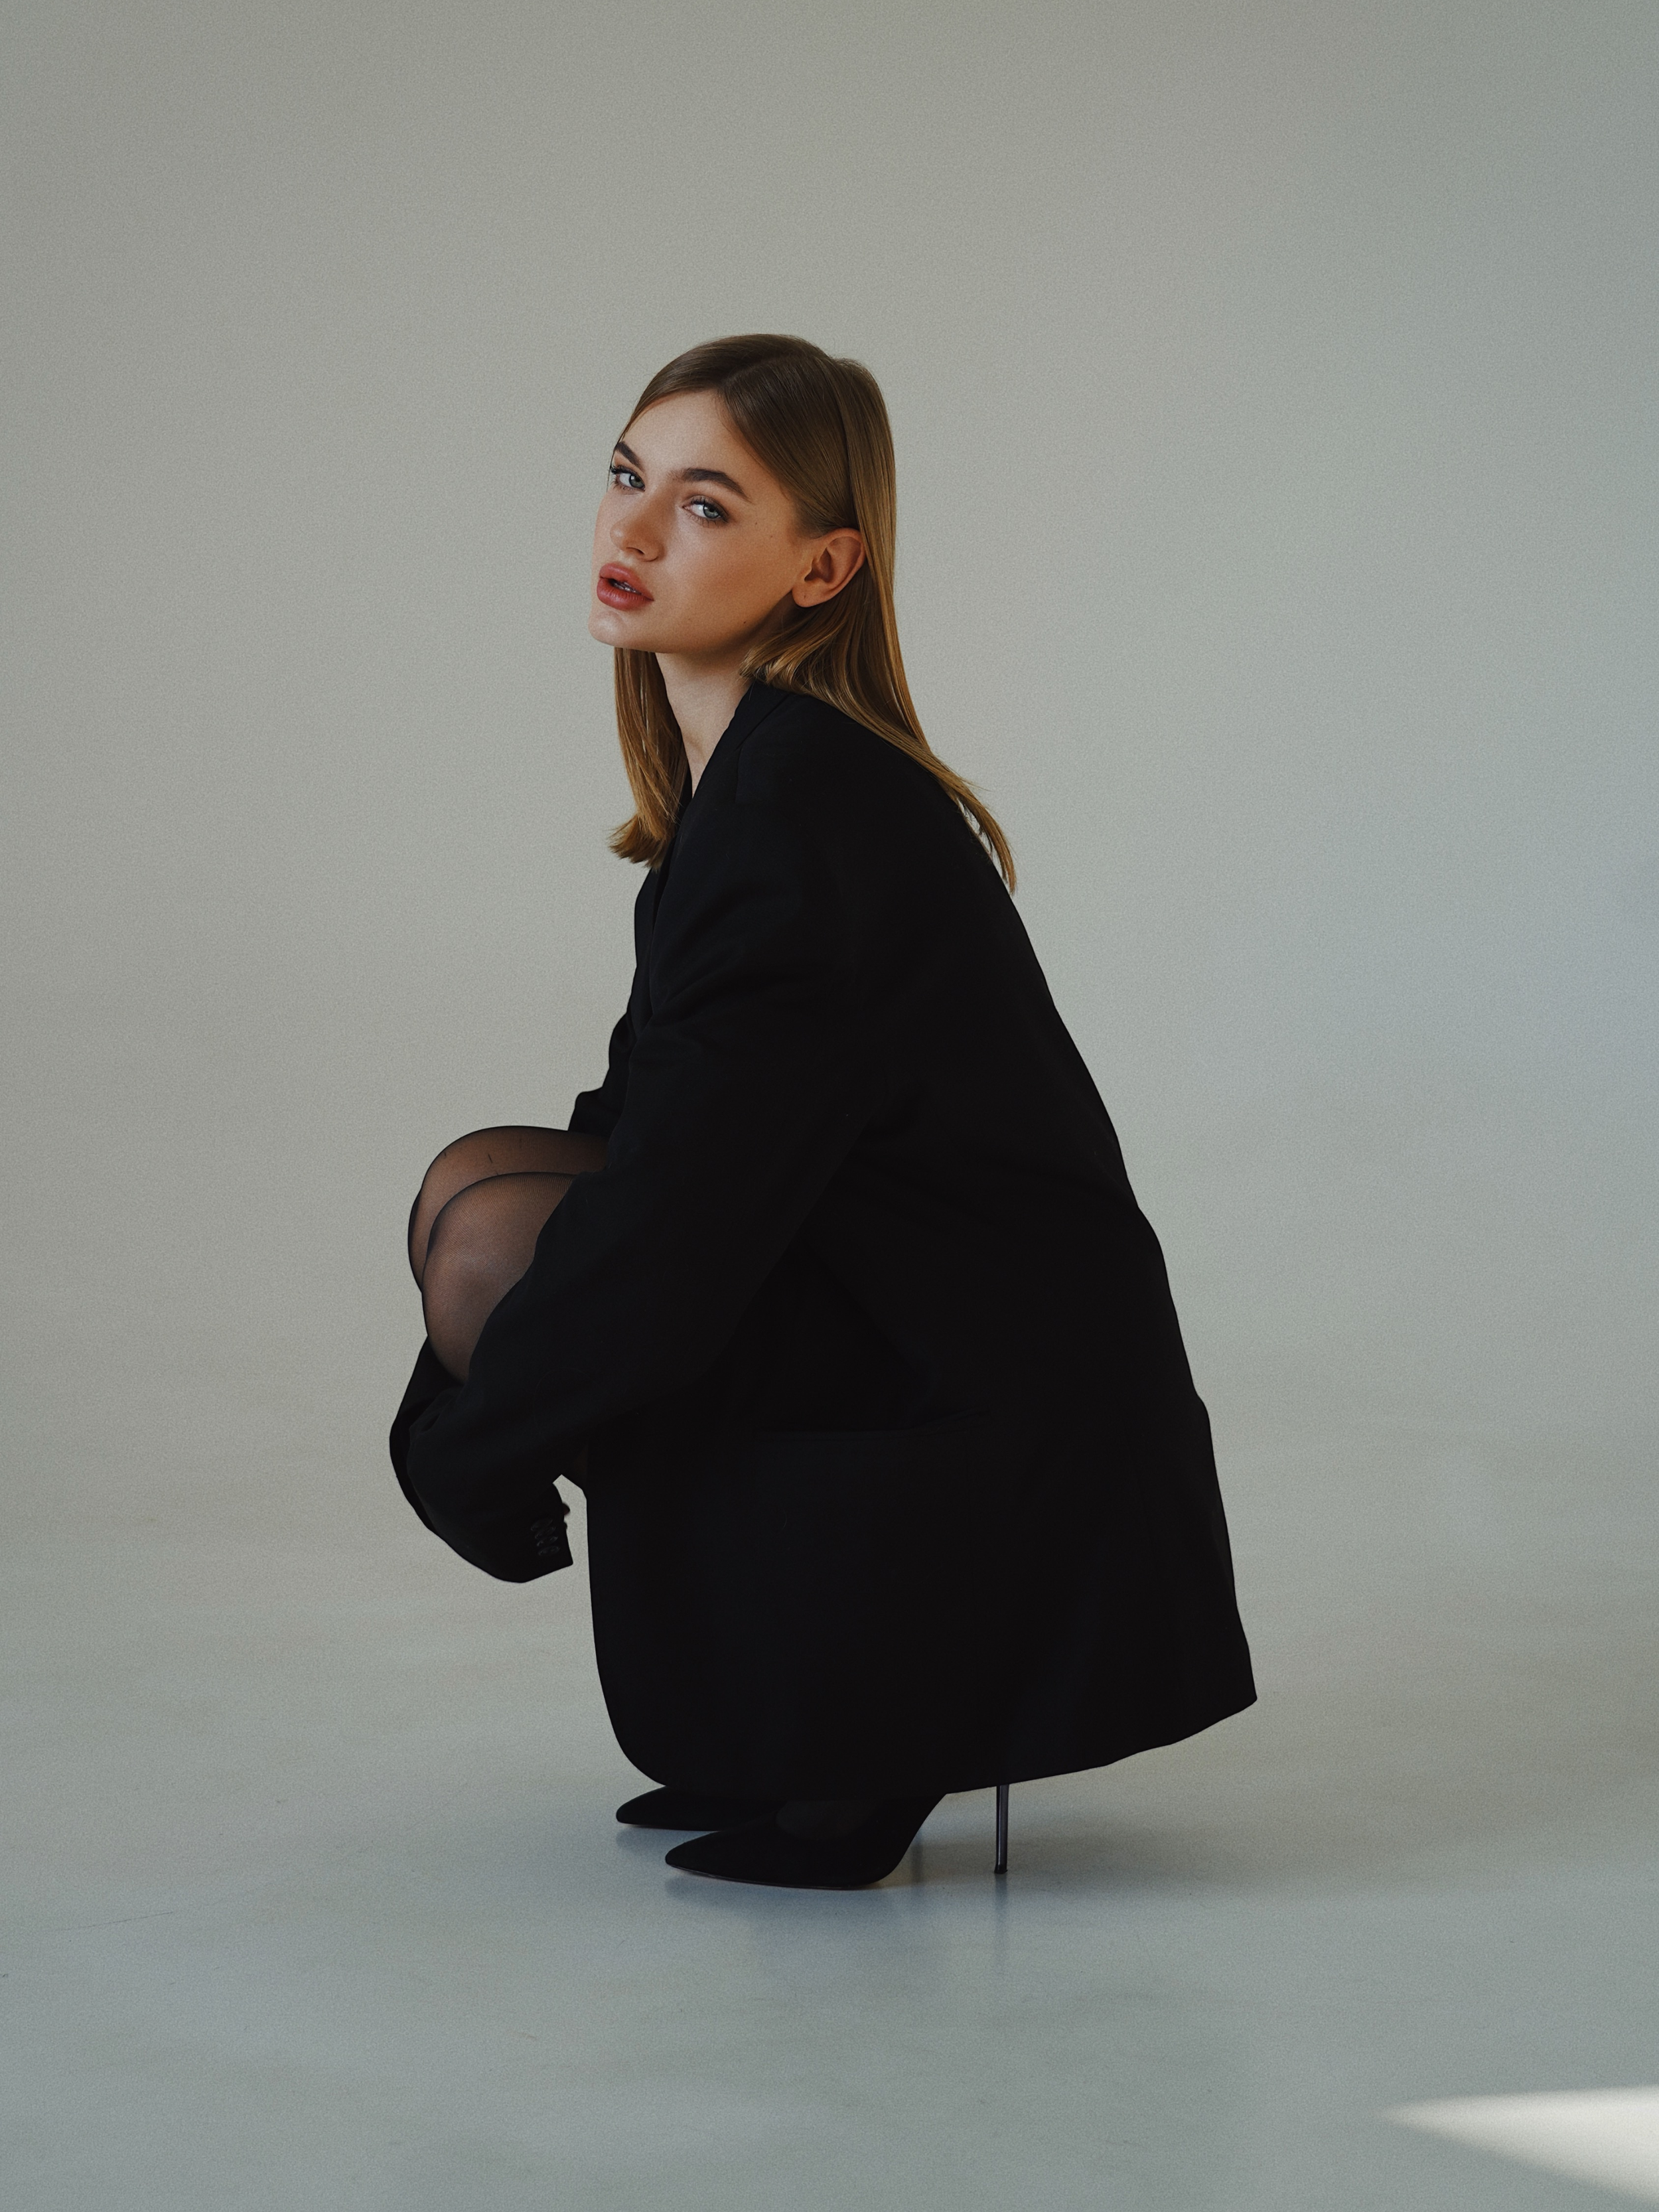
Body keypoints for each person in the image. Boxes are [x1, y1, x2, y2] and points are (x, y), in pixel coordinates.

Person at [391, 334, 1255, 1889]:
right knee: (477, 1194)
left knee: (505, 1243)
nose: (633, 532)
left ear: (821, 566)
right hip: (914, 1310)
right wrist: (472, 1424)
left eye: (706, 505)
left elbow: (680, 1222)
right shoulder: (758, 780)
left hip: (975, 1376)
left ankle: (863, 1739)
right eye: (624, 476)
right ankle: (778, 1725)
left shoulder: (801, 816)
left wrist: (470, 1445)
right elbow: (648, 1113)